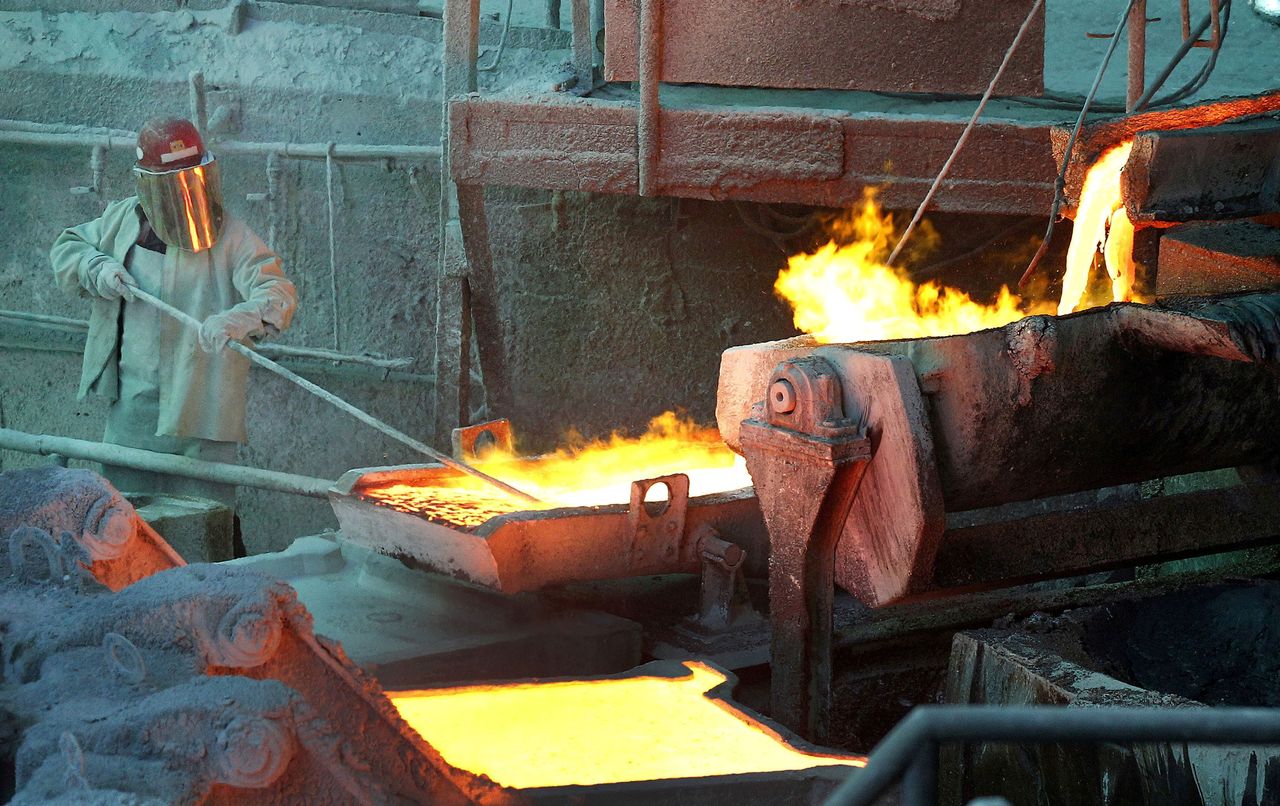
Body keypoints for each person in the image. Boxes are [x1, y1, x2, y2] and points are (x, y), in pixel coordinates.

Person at [51, 116, 296, 506]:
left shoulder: (231, 237)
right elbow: (68, 247)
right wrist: (97, 268)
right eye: (173, 186)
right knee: (126, 520)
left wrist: (240, 318)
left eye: (192, 181)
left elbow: (277, 292)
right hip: (133, 412)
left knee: (202, 524)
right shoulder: (122, 221)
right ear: (147, 184)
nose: (185, 196)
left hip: (201, 415)